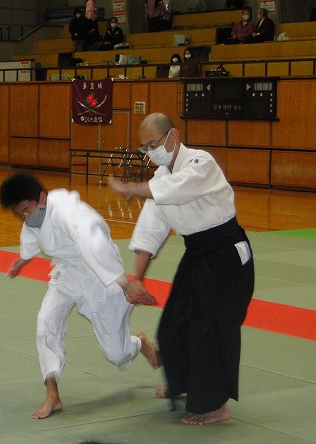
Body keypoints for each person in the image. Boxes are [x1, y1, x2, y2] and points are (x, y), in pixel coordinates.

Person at [107, 112, 255, 426]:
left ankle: (214, 405)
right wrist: (137, 278)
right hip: (197, 254)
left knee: (210, 330)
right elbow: (150, 230)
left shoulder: (202, 163)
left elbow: (178, 189)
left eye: (153, 144)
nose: (150, 152)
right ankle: (184, 382)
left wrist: (132, 188)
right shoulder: (161, 179)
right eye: (145, 148)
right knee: (173, 325)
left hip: (226, 255)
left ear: (173, 136)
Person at [0, 172, 160, 420]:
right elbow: (35, 233)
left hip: (100, 275)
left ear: (42, 197)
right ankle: (52, 395)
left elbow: (94, 246)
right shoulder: (35, 215)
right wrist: (23, 258)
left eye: (27, 210)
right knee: (46, 322)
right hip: (68, 272)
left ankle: (139, 343)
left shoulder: (69, 212)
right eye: (20, 213)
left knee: (116, 353)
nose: (26, 216)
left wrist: (126, 285)